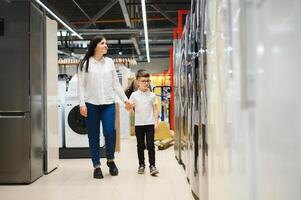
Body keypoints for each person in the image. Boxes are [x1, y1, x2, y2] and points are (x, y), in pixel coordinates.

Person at [78, 35, 131, 179]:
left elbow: (115, 83)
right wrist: (82, 104)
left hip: (108, 103)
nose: (106, 45)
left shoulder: (109, 62)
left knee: (110, 131)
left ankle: (110, 160)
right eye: (103, 43)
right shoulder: (85, 63)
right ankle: (96, 166)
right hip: (91, 104)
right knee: (93, 135)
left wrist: (125, 100)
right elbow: (81, 85)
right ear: (95, 46)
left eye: (106, 43)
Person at [128, 69, 159, 175]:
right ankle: (141, 164)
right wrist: (128, 106)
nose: (146, 83)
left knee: (150, 145)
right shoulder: (133, 95)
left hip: (150, 124)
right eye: (143, 81)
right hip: (139, 124)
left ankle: (152, 165)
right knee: (140, 145)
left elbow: (155, 110)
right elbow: (129, 109)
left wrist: (156, 123)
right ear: (137, 82)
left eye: (147, 81)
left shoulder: (152, 95)